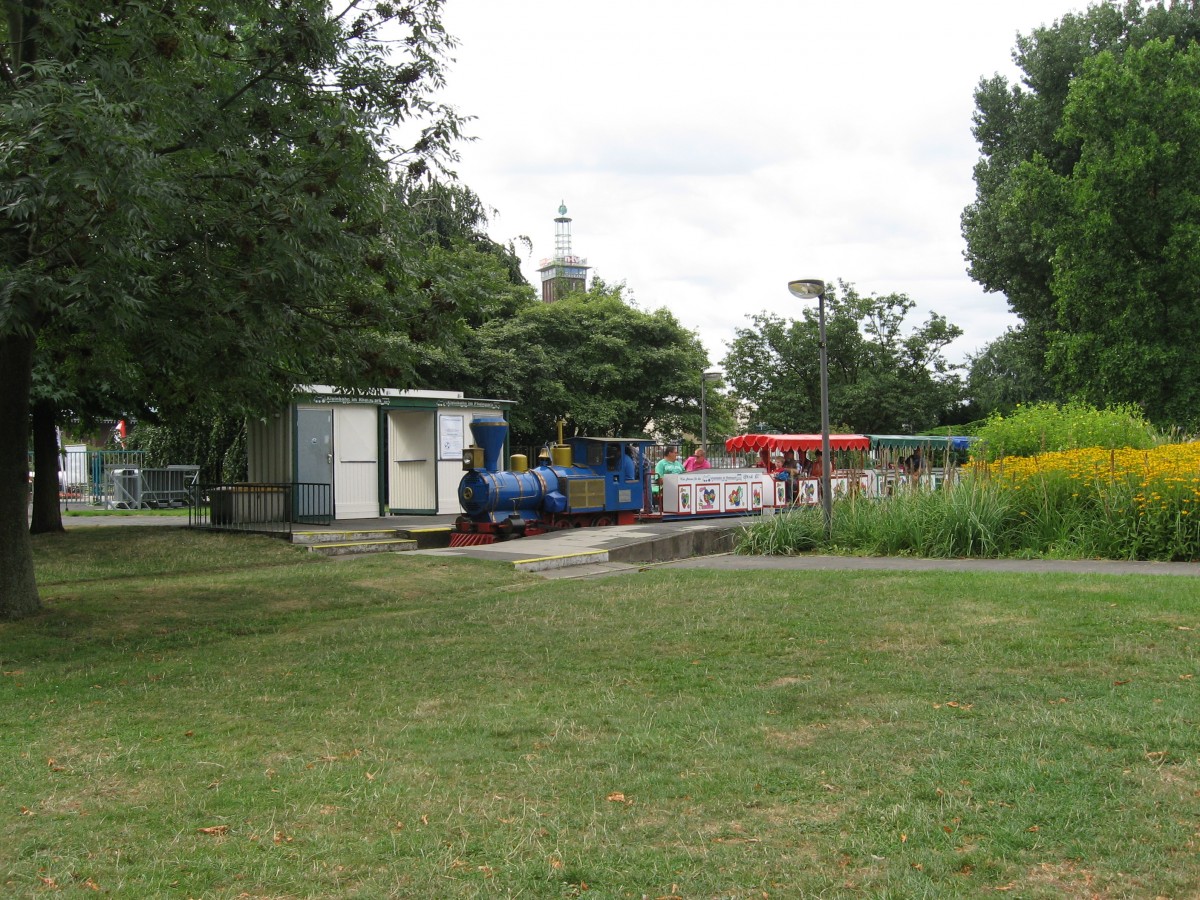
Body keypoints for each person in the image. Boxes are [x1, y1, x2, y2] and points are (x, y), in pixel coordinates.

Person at [653, 446, 684, 510]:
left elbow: (685, 473)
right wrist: (672, 482)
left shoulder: (678, 464)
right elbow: (659, 479)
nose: (677, 454)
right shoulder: (661, 464)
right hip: (667, 487)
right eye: (675, 453)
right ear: (670, 453)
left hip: (681, 486)